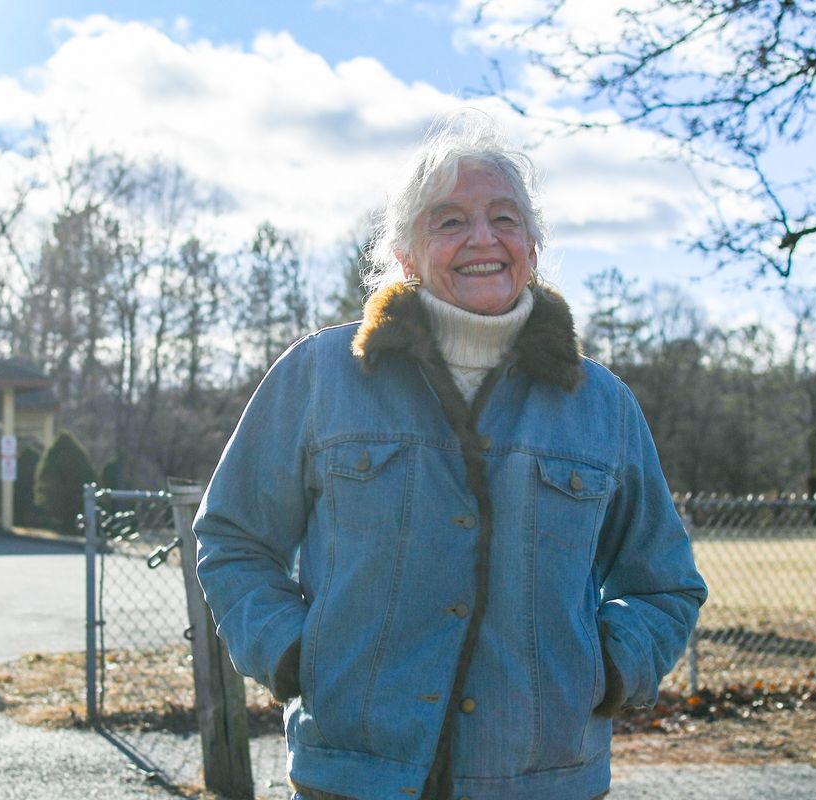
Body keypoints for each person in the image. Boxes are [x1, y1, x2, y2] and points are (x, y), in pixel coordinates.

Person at [193, 112, 706, 800]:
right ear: (405, 252)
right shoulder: (319, 375)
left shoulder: (601, 404)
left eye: (504, 217)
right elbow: (232, 540)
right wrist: (295, 653)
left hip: (546, 779)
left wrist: (606, 670)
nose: (483, 239)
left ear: (531, 244)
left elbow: (664, 584)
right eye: (450, 221)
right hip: (352, 775)